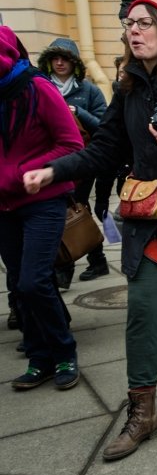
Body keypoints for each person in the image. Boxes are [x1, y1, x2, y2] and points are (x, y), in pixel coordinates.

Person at [23, 0, 157, 460]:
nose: (134, 31)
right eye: (129, 24)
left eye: (144, 24)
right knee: (142, 310)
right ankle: (144, 413)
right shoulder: (127, 89)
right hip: (150, 218)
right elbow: (103, 150)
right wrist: (54, 171)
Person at [1, 25, 83, 390]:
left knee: (34, 281)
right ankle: (39, 358)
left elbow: (72, 143)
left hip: (42, 201)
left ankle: (64, 353)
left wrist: (34, 171)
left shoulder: (37, 88)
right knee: (20, 285)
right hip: (4, 207)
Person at [37, 37, 110, 285]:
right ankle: (93, 260)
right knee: (67, 210)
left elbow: (103, 126)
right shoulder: (41, 87)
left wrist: (78, 112)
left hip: (83, 160)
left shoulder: (88, 91)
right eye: (54, 58)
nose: (59, 63)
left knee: (75, 207)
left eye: (65, 59)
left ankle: (69, 266)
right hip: (52, 161)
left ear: (75, 63)